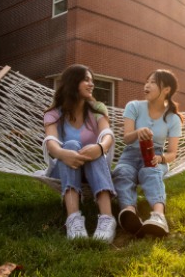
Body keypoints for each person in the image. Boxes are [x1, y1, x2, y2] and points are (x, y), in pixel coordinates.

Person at [42, 64, 117, 243]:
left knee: (94, 149)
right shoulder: (54, 113)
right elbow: (51, 142)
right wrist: (63, 153)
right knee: (71, 144)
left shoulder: (97, 108)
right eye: (86, 80)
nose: (91, 84)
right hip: (63, 169)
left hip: (93, 168)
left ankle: (107, 219)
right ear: (73, 82)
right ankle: (73, 218)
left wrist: (99, 148)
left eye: (92, 81)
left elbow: (107, 135)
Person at [112, 69, 183, 237]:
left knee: (149, 171)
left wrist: (160, 158)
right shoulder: (134, 106)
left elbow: (173, 153)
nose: (147, 85)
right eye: (147, 82)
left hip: (155, 155)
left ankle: (159, 216)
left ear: (166, 89)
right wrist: (138, 132)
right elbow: (126, 139)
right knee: (122, 172)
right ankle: (129, 212)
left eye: (152, 82)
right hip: (130, 153)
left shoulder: (173, 118)